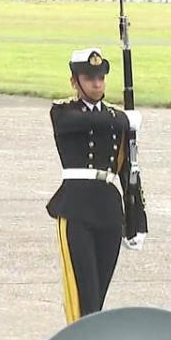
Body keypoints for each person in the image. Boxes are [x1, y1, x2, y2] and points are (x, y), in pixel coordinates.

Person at [47, 48, 143, 324]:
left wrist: (137, 220)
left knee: (98, 296)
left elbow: (129, 170)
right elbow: (81, 121)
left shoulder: (116, 118)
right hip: (76, 209)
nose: (97, 84)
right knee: (82, 296)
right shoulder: (64, 111)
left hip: (110, 211)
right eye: (89, 78)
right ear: (74, 82)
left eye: (101, 78)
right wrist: (125, 119)